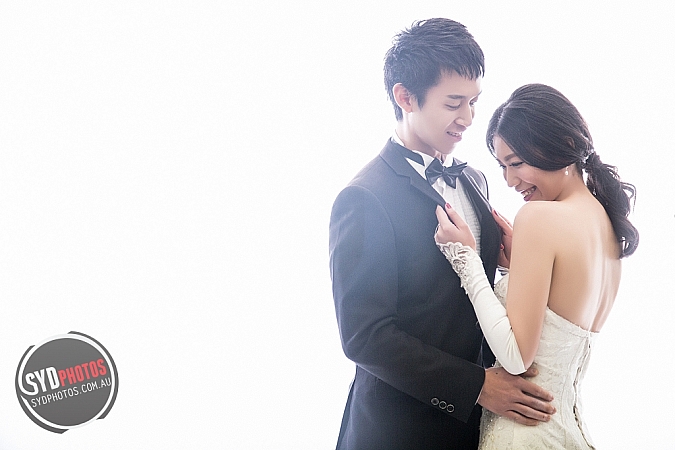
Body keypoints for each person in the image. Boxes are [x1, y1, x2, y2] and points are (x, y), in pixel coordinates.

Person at [329, 19, 554, 450]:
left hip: (475, 430)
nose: (468, 118)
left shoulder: (476, 179)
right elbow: (365, 336)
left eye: (474, 102)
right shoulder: (363, 198)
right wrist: (477, 386)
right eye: (454, 103)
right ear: (405, 97)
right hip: (398, 432)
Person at [434, 83, 639, 449]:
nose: (510, 181)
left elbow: (516, 357)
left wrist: (467, 261)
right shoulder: (607, 224)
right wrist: (518, 271)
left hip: (524, 435)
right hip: (569, 432)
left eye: (516, 163)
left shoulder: (538, 217)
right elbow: (556, 322)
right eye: (502, 167)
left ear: (565, 144)